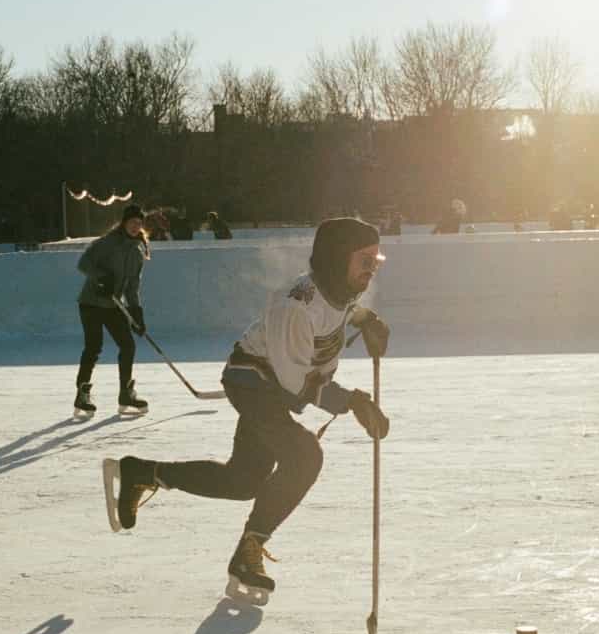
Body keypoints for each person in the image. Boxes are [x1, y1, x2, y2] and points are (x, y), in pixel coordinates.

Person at [102, 217, 391, 604]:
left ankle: (141, 472)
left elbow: (340, 311)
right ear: (338, 259)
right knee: (305, 455)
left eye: (376, 262)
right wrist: (353, 402)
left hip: (273, 386)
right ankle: (248, 552)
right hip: (253, 383)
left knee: (242, 482)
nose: (371, 271)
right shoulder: (295, 307)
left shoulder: (340, 289)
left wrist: (367, 320)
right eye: (365, 262)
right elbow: (295, 388)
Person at [74, 203, 150, 418]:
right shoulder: (108, 243)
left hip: (112, 304)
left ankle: (125, 394)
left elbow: (132, 287)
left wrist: (136, 313)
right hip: (91, 303)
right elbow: (83, 263)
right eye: (132, 222)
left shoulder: (136, 253)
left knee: (128, 345)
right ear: (124, 223)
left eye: (139, 223)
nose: (136, 226)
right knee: (93, 347)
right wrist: (101, 278)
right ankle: (82, 394)